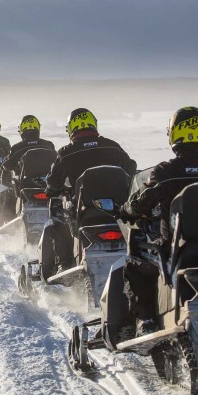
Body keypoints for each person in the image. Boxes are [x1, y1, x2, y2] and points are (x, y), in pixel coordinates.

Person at [121, 106, 198, 335]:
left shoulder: (166, 172)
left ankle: (146, 319)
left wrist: (127, 209)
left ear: (174, 134)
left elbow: (142, 201)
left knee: (135, 263)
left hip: (178, 248)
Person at [40, 108, 136, 280]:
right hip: (117, 211)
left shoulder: (66, 152)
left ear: (71, 128)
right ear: (94, 124)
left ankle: (64, 263)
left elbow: (53, 182)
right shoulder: (113, 146)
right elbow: (131, 168)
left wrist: (51, 191)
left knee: (58, 217)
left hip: (84, 211)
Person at [0, 115, 55, 227]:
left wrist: (6, 166)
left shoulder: (17, 147)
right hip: (48, 186)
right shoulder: (49, 145)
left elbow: (7, 165)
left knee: (6, 193)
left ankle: (3, 224)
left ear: (22, 130)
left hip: (26, 186)